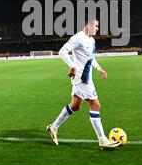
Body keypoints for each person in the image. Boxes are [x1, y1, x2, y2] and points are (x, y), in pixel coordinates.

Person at [47, 19, 121, 150]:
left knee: (75, 106)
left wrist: (99, 69)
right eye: (96, 26)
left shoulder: (91, 40)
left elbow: (90, 58)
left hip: (85, 77)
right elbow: (62, 51)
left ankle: (53, 127)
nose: (97, 29)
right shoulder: (78, 37)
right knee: (95, 104)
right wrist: (72, 66)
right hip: (82, 78)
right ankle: (103, 140)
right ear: (88, 25)